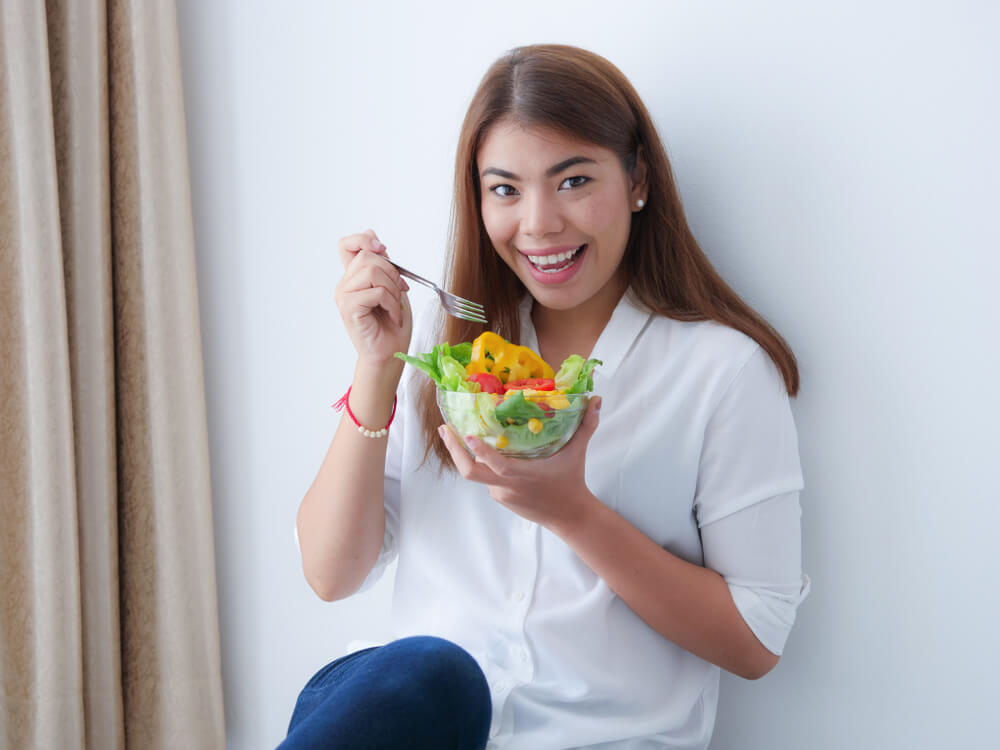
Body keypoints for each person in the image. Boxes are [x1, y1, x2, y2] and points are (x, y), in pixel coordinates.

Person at [283, 44, 809, 750]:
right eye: (505, 189)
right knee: (420, 672)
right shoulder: (450, 360)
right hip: (417, 715)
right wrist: (377, 368)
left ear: (638, 180)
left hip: (598, 739)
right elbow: (330, 573)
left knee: (422, 671)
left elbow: (755, 641)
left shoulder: (721, 371)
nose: (537, 224)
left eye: (572, 181)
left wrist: (572, 513)